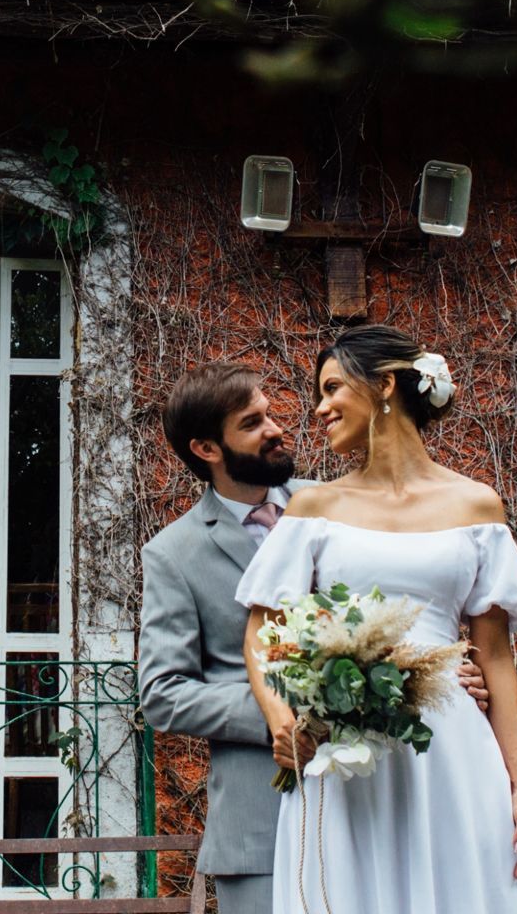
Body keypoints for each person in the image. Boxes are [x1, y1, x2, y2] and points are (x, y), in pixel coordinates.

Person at [138, 362, 488, 914]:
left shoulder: (338, 506)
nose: (277, 428)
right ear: (206, 449)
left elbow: (407, 608)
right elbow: (162, 691)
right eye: (252, 423)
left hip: (376, 802)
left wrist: (437, 673)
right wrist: (296, 708)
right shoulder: (173, 554)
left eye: (270, 413)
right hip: (260, 822)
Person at [237, 325, 517, 914]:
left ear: (384, 384)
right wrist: (284, 721)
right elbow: (262, 631)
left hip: (450, 746)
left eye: (333, 388)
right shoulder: (315, 508)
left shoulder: (478, 507)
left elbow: (496, 660)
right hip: (342, 752)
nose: (320, 408)